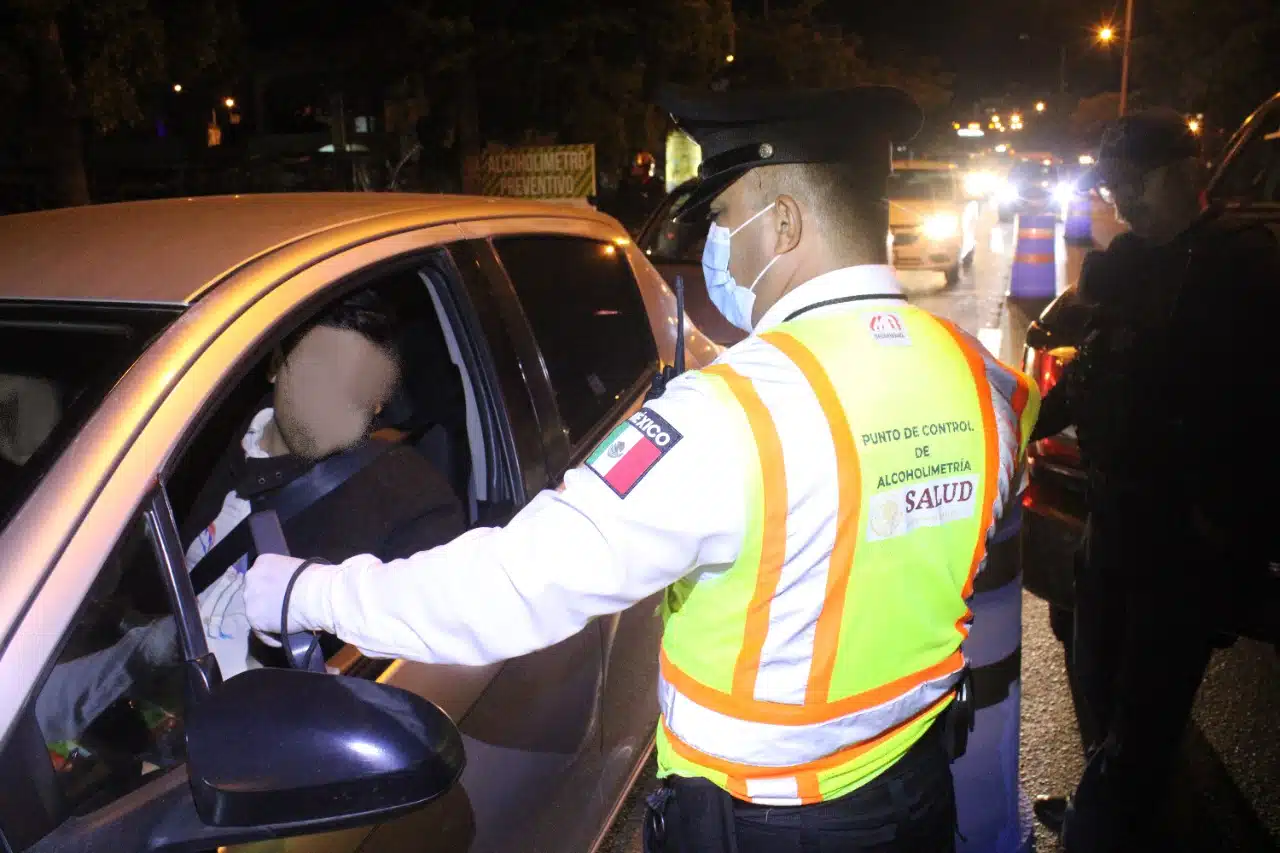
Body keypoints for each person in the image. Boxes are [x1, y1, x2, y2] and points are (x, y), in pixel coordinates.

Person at [246, 85, 1040, 853]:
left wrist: (302, 591)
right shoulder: (979, 379)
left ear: (786, 222)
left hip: (765, 823)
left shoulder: (732, 413)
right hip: (913, 791)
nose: (716, 246)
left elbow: (514, 587)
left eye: (725, 217)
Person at [35, 288, 466, 744]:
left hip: (248, 743)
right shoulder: (186, 441)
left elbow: (419, 678)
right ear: (275, 365)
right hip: (132, 691)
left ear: (378, 402)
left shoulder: (412, 500)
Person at [1029, 109, 1280, 852]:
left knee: (1145, 713)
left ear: (1186, 172)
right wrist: (1014, 423)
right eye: (1115, 187)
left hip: (1188, 538)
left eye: (1135, 185)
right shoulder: (1131, 262)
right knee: (1097, 679)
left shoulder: (1245, 268)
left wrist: (1227, 524)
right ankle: (1115, 806)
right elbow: (1092, 373)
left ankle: (1104, 827)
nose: (1125, 202)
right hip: (1113, 518)